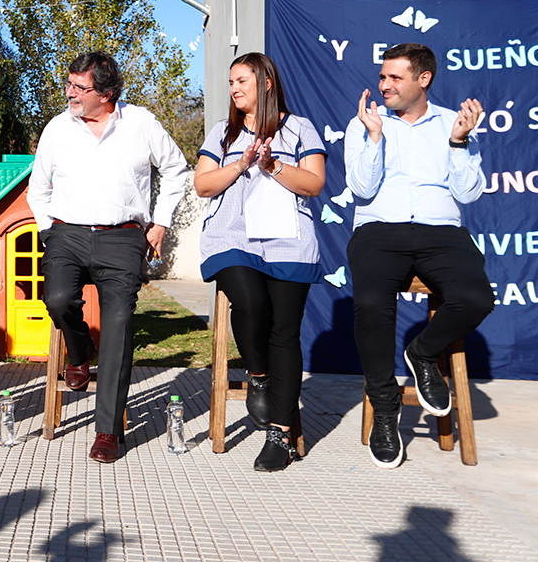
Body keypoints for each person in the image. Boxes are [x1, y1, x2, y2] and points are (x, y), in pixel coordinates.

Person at [28, 51, 189, 463]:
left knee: (119, 326)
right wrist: (49, 231)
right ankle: (79, 353)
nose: (71, 94)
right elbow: (37, 189)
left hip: (123, 238)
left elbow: (176, 169)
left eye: (80, 88)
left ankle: (108, 431)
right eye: (69, 84)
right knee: (58, 300)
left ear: (107, 93)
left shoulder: (141, 124)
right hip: (66, 233)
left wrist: (160, 223)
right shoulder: (58, 129)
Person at [343, 42, 494, 469]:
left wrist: (459, 143)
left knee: (477, 298)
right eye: (382, 76)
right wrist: (374, 138)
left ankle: (423, 353)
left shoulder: (454, 123)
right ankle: (386, 412)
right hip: (379, 227)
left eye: (394, 77)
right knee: (371, 306)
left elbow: (468, 193)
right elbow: (362, 190)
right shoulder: (365, 123)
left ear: (423, 79)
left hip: (439, 230)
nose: (383, 85)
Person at [194, 53, 326, 471]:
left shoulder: (300, 128)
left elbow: (315, 183)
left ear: (266, 82)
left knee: (284, 333)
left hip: (288, 240)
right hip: (233, 236)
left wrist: (273, 165)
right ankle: (258, 376)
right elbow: (202, 184)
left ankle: (280, 436)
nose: (233, 89)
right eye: (230, 81)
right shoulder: (222, 132)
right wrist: (243, 163)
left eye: (242, 81)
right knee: (250, 303)